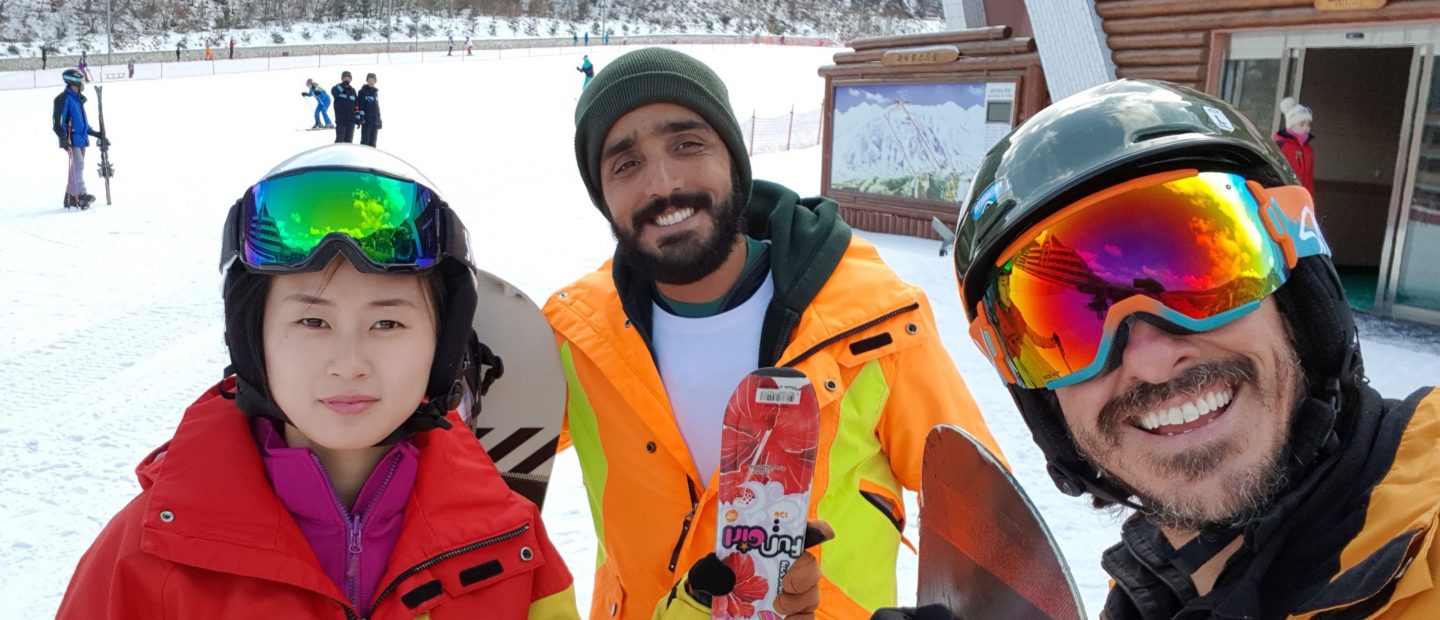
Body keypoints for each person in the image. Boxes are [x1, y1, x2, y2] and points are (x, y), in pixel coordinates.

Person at [55, 144, 815, 619]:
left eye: (389, 323)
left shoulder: (512, 550)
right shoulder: (145, 557)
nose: (350, 361)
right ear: (252, 339)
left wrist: (704, 607)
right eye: (311, 321)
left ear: (443, 348)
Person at [911, 79, 1440, 618]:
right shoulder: (1157, 586)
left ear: (1301, 303)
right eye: (1070, 325)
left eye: (1198, 277)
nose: (1154, 361)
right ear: (1044, 405)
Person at [546, 47, 1000, 619]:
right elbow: (477, 460)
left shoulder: (875, 319)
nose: (663, 184)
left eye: (688, 145)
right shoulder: (575, 334)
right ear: (602, 196)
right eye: (625, 164)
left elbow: (985, 518)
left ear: (734, 160)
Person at [52, 68, 106, 209]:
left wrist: (94, 133)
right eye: (81, 81)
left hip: (81, 138)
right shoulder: (64, 98)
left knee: (76, 166)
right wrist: (64, 139)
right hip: (71, 138)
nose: (83, 83)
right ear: (74, 81)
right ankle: (80, 194)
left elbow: (81, 123)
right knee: (78, 165)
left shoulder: (78, 99)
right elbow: (58, 123)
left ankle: (70, 197)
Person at [1276, 96, 1316, 195]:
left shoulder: (1308, 150)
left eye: (1308, 125)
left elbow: (1309, 179)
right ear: (1291, 126)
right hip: (1284, 194)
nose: (1306, 128)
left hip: (1302, 196)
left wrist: (1309, 198)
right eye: (1302, 124)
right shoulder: (1281, 146)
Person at [331, 70, 358, 143]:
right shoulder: (336, 87)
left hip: (351, 121)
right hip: (341, 120)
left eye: (348, 78)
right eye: (345, 77)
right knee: (340, 141)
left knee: (349, 142)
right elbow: (334, 93)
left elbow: (356, 105)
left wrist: (357, 118)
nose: (347, 79)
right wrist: (343, 85)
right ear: (342, 78)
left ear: (351, 79)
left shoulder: (353, 91)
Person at [358, 73, 381, 147]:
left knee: (373, 143)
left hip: (375, 122)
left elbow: (377, 108)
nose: (371, 82)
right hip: (366, 121)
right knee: (365, 142)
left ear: (375, 81)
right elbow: (360, 106)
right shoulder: (362, 91)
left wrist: (379, 120)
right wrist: (361, 118)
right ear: (367, 81)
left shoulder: (375, 93)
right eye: (369, 80)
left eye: (373, 80)